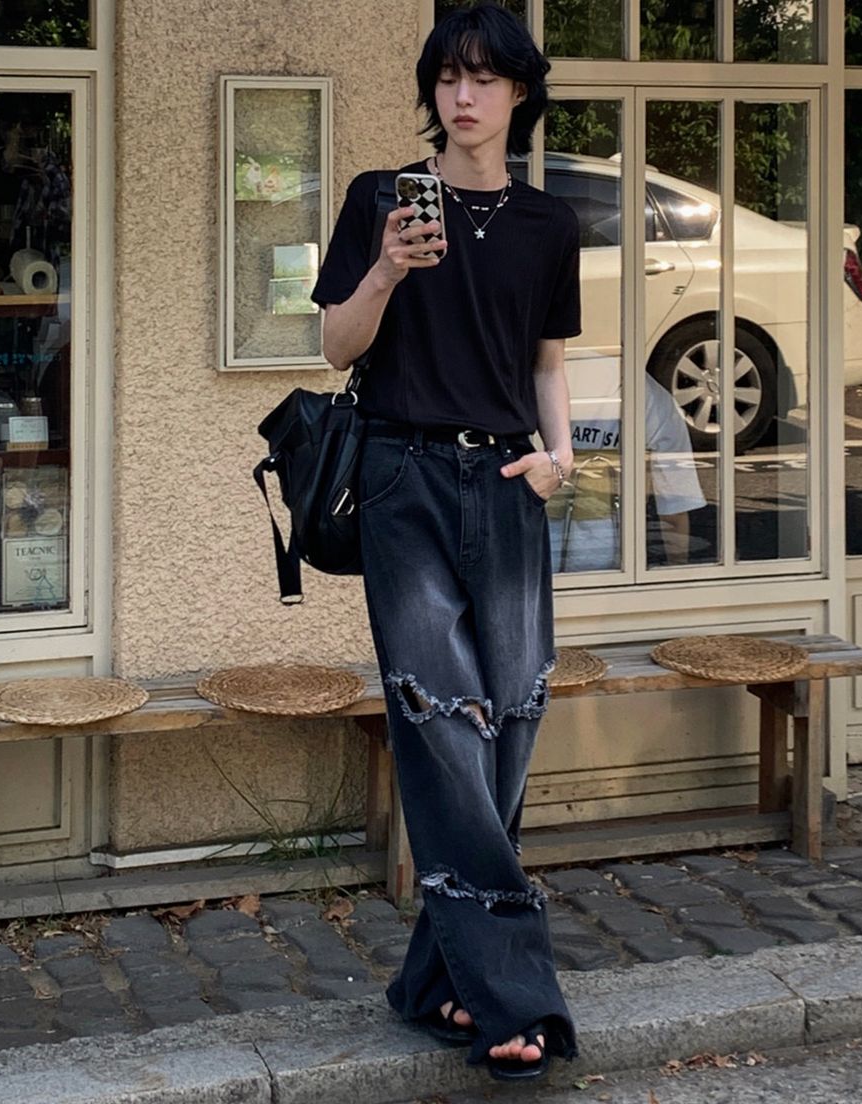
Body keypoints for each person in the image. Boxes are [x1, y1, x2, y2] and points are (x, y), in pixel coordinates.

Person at [310, 2, 580, 1083]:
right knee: (439, 721)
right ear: (432, 90)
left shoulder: (549, 223)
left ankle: (436, 981)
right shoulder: (380, 198)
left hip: (509, 484)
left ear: (519, 92)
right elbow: (335, 347)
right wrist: (384, 270)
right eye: (447, 77)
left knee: (510, 721)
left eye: (484, 78)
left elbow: (547, 362)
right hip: (404, 479)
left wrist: (561, 458)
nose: (463, 96)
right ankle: (512, 994)